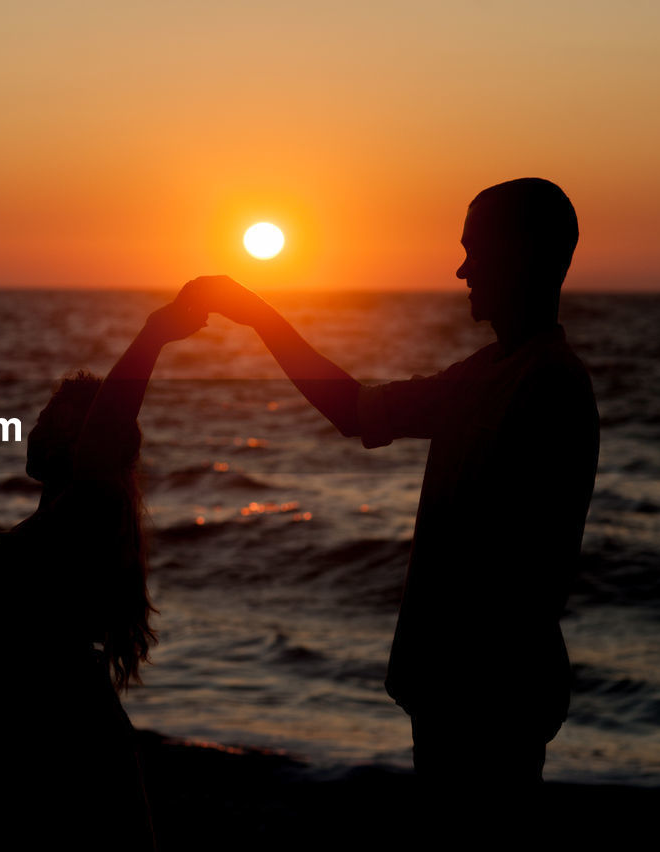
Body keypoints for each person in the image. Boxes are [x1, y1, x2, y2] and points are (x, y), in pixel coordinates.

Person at [179, 178, 599, 820]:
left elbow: (521, 573)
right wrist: (259, 316)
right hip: (450, 697)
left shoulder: (549, 386)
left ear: (524, 254)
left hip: (489, 705)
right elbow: (353, 409)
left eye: (475, 249)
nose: (461, 269)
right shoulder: (480, 376)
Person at [0, 296, 206, 851]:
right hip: (27, 758)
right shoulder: (59, 518)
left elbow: (108, 430)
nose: (36, 427)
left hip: (66, 758)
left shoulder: (92, 506)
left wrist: (153, 335)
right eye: (42, 413)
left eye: (55, 420)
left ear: (90, 440)